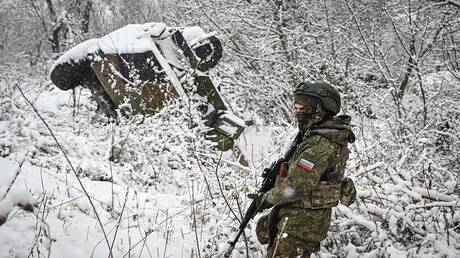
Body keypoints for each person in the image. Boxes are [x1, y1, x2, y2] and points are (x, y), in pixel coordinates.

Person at [255, 81, 357, 257]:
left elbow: (296, 188)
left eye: (304, 106)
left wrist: (266, 198)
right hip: (300, 224)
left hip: (299, 227)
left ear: (321, 109)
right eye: (296, 105)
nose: (298, 111)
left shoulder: (319, 144)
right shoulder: (318, 136)